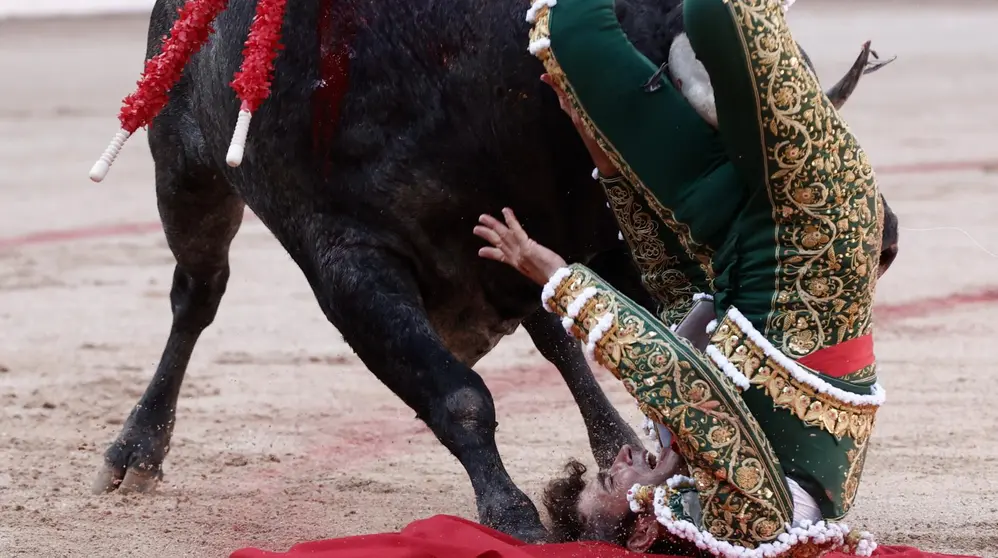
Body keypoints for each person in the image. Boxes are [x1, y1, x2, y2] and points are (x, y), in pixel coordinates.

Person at [473, 0, 892, 555]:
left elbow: (672, 281)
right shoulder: (751, 527)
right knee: (717, 14)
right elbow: (674, 375)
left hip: (726, 229)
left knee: (570, 33)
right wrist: (555, 278)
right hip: (821, 222)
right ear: (644, 530)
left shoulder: (680, 452)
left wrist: (598, 140)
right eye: (610, 480)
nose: (619, 456)